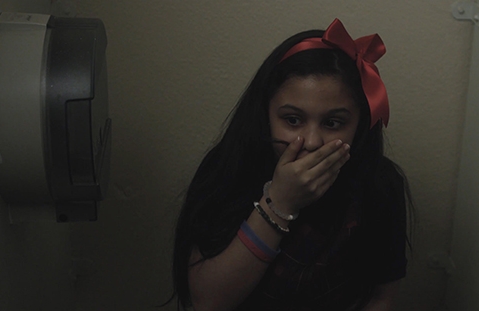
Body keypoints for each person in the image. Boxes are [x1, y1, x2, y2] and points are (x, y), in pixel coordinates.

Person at [169, 19, 412, 311]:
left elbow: (380, 297)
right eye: (292, 120)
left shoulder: (380, 185)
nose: (311, 141)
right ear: (266, 115)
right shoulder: (229, 169)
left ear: (359, 125)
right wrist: (281, 202)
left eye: (333, 123)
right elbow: (208, 301)